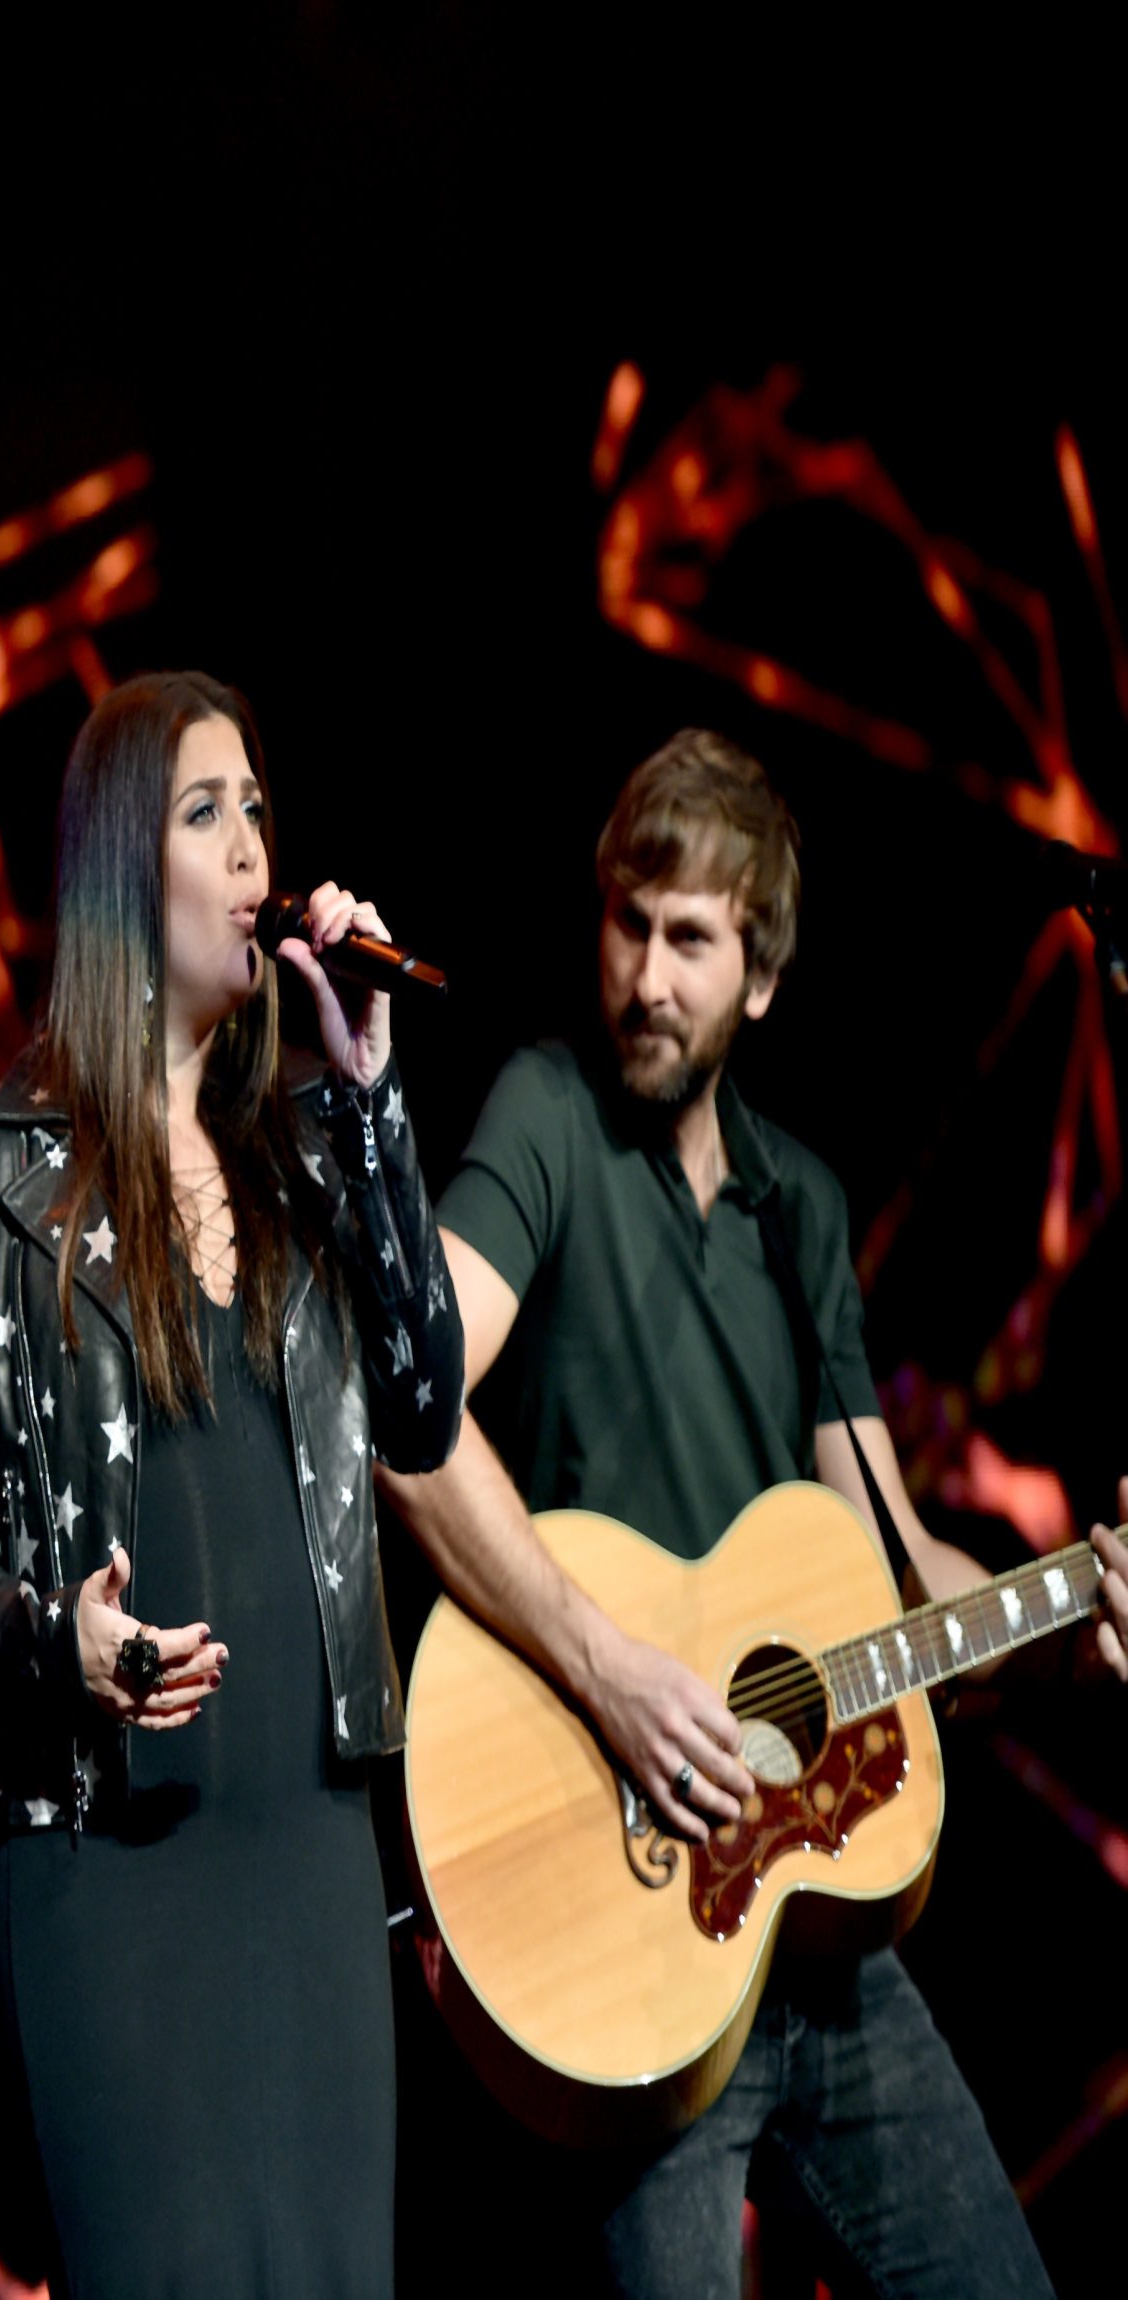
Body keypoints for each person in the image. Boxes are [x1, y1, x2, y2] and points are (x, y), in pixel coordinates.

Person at [379, 728, 1128, 2298]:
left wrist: (1068, 1619)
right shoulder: (544, 1117)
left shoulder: (804, 1209)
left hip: (827, 1936)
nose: (647, 976)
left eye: (693, 940)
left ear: (762, 978)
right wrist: (614, 1674)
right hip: (634, 1935)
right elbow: (409, 1406)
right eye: (629, 923)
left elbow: (898, 1569)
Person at [0, 670, 466, 2297]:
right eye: (203, 813)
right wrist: (47, 1639)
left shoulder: (306, 1147)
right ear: (113, 872)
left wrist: (373, 1106)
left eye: (257, 811)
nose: (248, 850)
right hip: (112, 1856)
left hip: (312, 1838)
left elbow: (421, 1407)